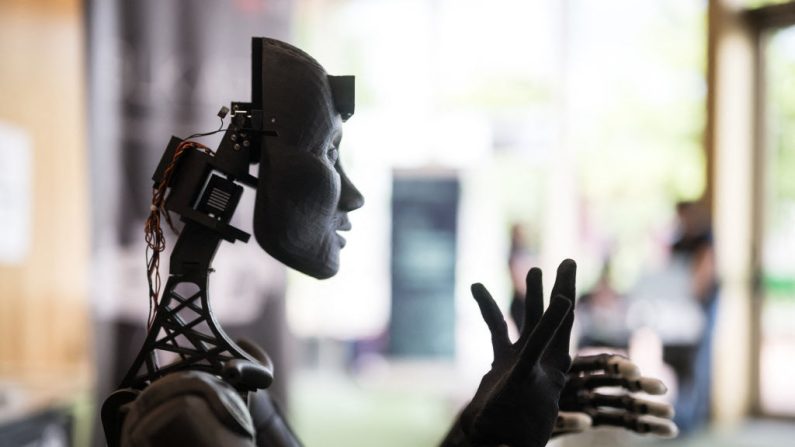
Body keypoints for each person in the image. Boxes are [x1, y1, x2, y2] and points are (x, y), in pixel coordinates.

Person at [111, 38, 675, 446]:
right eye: (330, 154)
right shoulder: (188, 419)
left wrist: (480, 427)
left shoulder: (222, 390)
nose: (352, 196)